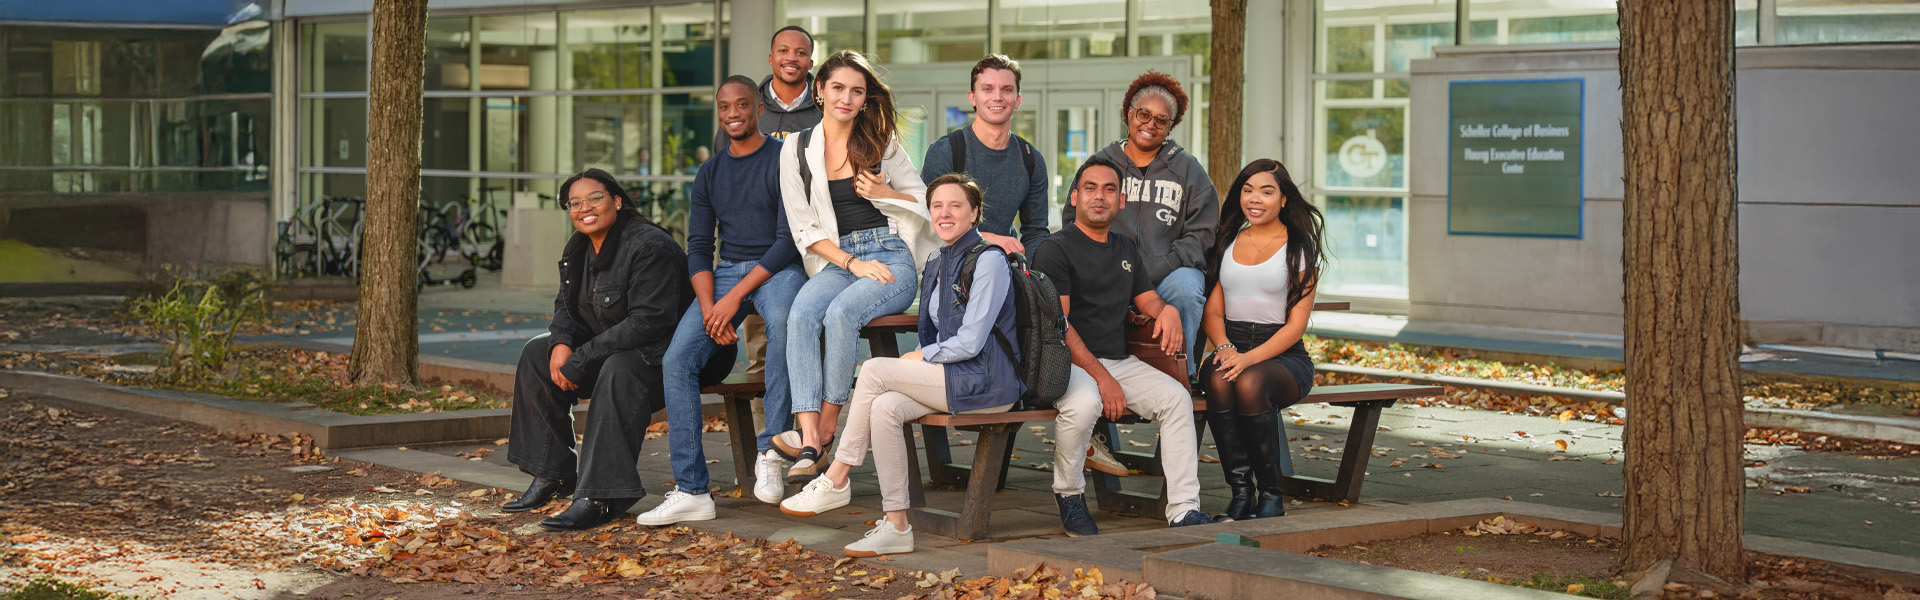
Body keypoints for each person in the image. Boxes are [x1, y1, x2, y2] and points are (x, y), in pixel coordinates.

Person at [777, 174, 1022, 556]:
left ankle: (838, 476)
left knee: (875, 370)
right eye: (937, 206)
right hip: (954, 379)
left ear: (974, 214)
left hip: (989, 383)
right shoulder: (938, 260)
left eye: (956, 206)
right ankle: (896, 524)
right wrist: (925, 356)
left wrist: (922, 355)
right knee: (885, 406)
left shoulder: (989, 260)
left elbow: (972, 340)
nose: (944, 213)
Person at [638, 76, 810, 526]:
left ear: (757, 109)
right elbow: (698, 246)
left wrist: (731, 298)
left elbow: (788, 240)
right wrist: (711, 303)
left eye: (741, 105)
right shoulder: (710, 172)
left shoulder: (782, 160)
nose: (733, 113)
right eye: (724, 107)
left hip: (776, 269)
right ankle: (692, 489)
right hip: (727, 270)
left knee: (785, 328)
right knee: (677, 360)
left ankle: (772, 449)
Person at [1033, 156, 1221, 533]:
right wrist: (1102, 378)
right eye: (1090, 188)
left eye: (1108, 190)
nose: (1099, 197)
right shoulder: (1055, 249)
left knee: (1177, 399)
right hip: (1067, 362)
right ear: (1074, 198)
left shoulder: (1125, 247)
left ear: (1121, 201)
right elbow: (1060, 325)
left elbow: (1147, 299)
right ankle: (1069, 495)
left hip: (1117, 359)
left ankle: (1183, 509)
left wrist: (1165, 311)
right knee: (1085, 403)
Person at [776, 50, 938, 484]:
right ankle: (810, 436)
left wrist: (886, 189)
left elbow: (926, 202)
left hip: (889, 257)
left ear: (866, 99)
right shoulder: (795, 150)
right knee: (801, 315)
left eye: (857, 91)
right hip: (840, 259)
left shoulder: (881, 144)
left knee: (841, 314)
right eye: (838, 88)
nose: (846, 98)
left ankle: (827, 426)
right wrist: (851, 262)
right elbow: (803, 228)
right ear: (820, 91)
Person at [502, 168, 693, 531]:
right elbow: (566, 305)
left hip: (669, 355)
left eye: (595, 198)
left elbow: (650, 323)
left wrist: (583, 357)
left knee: (618, 368)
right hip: (615, 348)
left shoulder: (648, 246)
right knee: (535, 355)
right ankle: (553, 473)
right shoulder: (578, 247)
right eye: (574, 203)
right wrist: (560, 344)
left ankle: (601, 495)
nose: (584, 208)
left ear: (617, 201)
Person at [1064, 71, 1218, 377]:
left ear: (1171, 126)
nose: (1150, 124)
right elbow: (1074, 221)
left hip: (1168, 274)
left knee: (1187, 287)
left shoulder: (1188, 169)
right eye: (1144, 114)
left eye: (1161, 120)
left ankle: (1180, 374)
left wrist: (1162, 265)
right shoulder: (1101, 164)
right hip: (1109, 273)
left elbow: (1202, 233)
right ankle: (1095, 374)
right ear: (1128, 114)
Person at [1199, 159, 1325, 522]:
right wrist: (1225, 349)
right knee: (1221, 379)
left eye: (1266, 192)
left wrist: (1247, 359)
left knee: (1249, 381)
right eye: (1248, 190)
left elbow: (1295, 327)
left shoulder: (1299, 248)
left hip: (1283, 355)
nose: (1255, 199)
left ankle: (1272, 493)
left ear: (1283, 200)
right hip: (1231, 343)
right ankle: (1241, 494)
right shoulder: (1229, 240)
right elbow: (1213, 314)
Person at [918, 54, 1049, 254]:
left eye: (1007, 90)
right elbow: (932, 222)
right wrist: (989, 240)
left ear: (1017, 100)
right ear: (973, 97)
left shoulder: (1031, 159)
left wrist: (1029, 275)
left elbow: (1036, 232)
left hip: (1005, 269)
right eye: (987, 89)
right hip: (951, 268)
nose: (997, 97)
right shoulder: (947, 151)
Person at [760, 25, 822, 140]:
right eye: (783, 51)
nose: (791, 58)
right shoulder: (750, 106)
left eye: (801, 53)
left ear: (810, 63)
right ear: (771, 58)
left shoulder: (826, 108)